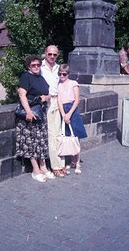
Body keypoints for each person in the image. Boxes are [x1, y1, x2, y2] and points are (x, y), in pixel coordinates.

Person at [15, 54, 55, 182]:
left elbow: (48, 94)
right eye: (33, 65)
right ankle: (35, 170)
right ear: (29, 66)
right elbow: (22, 95)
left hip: (41, 114)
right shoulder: (26, 77)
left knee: (41, 141)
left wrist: (46, 97)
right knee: (31, 142)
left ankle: (43, 167)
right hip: (31, 114)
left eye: (38, 64)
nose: (36, 67)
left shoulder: (40, 78)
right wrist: (28, 112)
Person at [57, 64, 87, 175]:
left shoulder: (73, 83)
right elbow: (59, 101)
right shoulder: (58, 85)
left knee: (76, 138)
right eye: (60, 74)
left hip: (72, 111)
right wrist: (63, 114)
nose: (61, 76)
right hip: (64, 111)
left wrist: (69, 114)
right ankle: (71, 161)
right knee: (68, 137)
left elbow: (77, 100)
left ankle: (77, 162)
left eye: (64, 74)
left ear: (68, 74)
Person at [41, 45, 66, 178]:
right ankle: (55, 166)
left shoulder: (58, 68)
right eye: (50, 54)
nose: (52, 57)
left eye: (54, 55)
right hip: (47, 102)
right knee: (51, 135)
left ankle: (61, 164)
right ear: (45, 53)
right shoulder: (39, 67)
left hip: (58, 101)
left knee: (58, 134)